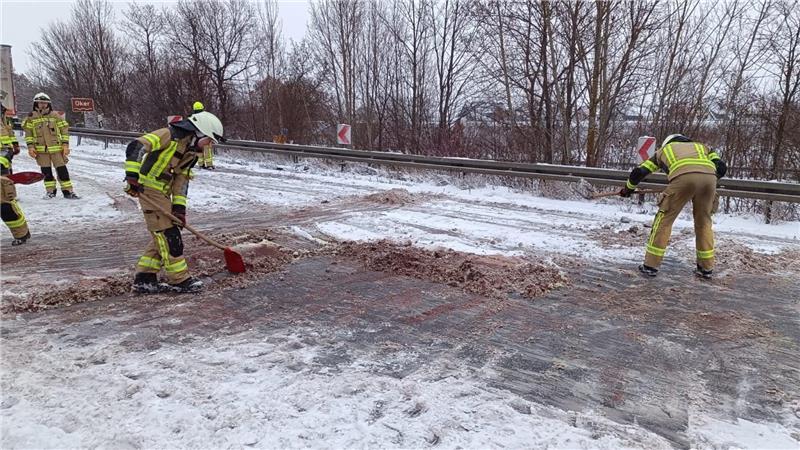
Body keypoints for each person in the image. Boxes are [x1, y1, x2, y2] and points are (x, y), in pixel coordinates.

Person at [123, 110, 225, 293]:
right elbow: (136, 147)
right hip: (148, 189)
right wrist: (132, 176)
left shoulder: (191, 152)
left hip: (163, 194)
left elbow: (181, 181)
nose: (209, 145)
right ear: (199, 133)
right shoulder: (168, 135)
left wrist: (179, 209)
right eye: (209, 140)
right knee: (170, 236)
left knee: (161, 235)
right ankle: (179, 280)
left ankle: (144, 278)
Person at [621, 134, 727, 279]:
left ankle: (650, 266)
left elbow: (638, 172)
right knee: (704, 223)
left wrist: (628, 189)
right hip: (710, 179)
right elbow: (721, 167)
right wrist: (701, 180)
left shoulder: (663, 151)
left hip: (683, 180)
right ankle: (706, 268)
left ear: (668, 143)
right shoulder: (703, 147)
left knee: (663, 221)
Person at [22, 93, 79, 199]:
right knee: (46, 172)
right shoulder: (31, 118)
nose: (42, 105)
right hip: (41, 151)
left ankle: (68, 192)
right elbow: (28, 134)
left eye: (45, 102)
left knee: (62, 171)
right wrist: (30, 147)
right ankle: (50, 192)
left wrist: (65, 145)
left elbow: (64, 131)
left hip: (57, 150)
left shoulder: (55, 116)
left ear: (49, 104)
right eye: (40, 103)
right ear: (36, 104)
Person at [0, 104, 30, 245]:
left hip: (1, 165)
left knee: (4, 205)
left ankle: (21, 233)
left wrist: (13, 147)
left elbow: (8, 137)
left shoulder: (3, 117)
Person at [192, 102, 215, 170]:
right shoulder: (206, 117)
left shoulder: (193, 118)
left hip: (197, 137)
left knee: (199, 151)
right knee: (207, 151)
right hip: (205, 136)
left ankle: (201, 164)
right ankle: (209, 165)